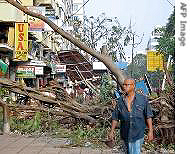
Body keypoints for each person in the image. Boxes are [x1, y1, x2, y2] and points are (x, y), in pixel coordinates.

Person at [108, 78, 153, 154]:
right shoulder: (120, 101)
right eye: (124, 85)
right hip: (125, 134)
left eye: (127, 85)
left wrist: (150, 131)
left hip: (137, 133)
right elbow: (115, 117)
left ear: (133, 86)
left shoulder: (142, 99)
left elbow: (148, 116)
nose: (124, 87)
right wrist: (112, 131)